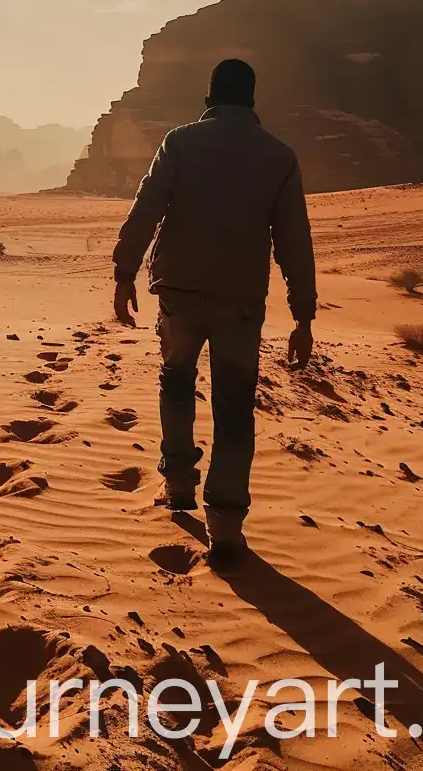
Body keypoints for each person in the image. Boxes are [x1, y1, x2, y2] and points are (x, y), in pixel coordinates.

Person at [111, 57, 317, 566]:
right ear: (251, 99)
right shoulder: (279, 156)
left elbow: (146, 209)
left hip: (178, 292)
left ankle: (179, 486)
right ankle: (224, 526)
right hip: (240, 301)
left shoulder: (179, 143)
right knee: (233, 407)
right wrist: (303, 314)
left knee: (176, 381)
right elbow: (294, 240)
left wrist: (123, 273)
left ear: (209, 97)